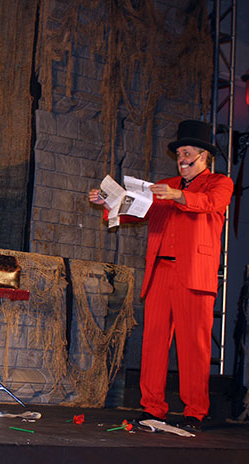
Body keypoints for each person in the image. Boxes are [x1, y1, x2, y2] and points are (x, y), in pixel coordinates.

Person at [89, 120, 233, 431]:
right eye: (180, 153)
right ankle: (152, 406)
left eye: (188, 153)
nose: (182, 159)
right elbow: (133, 211)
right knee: (153, 343)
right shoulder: (165, 184)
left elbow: (209, 204)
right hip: (161, 273)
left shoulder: (219, 183)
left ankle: (195, 410)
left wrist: (177, 197)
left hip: (193, 274)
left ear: (204, 156)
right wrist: (108, 202)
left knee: (193, 345)